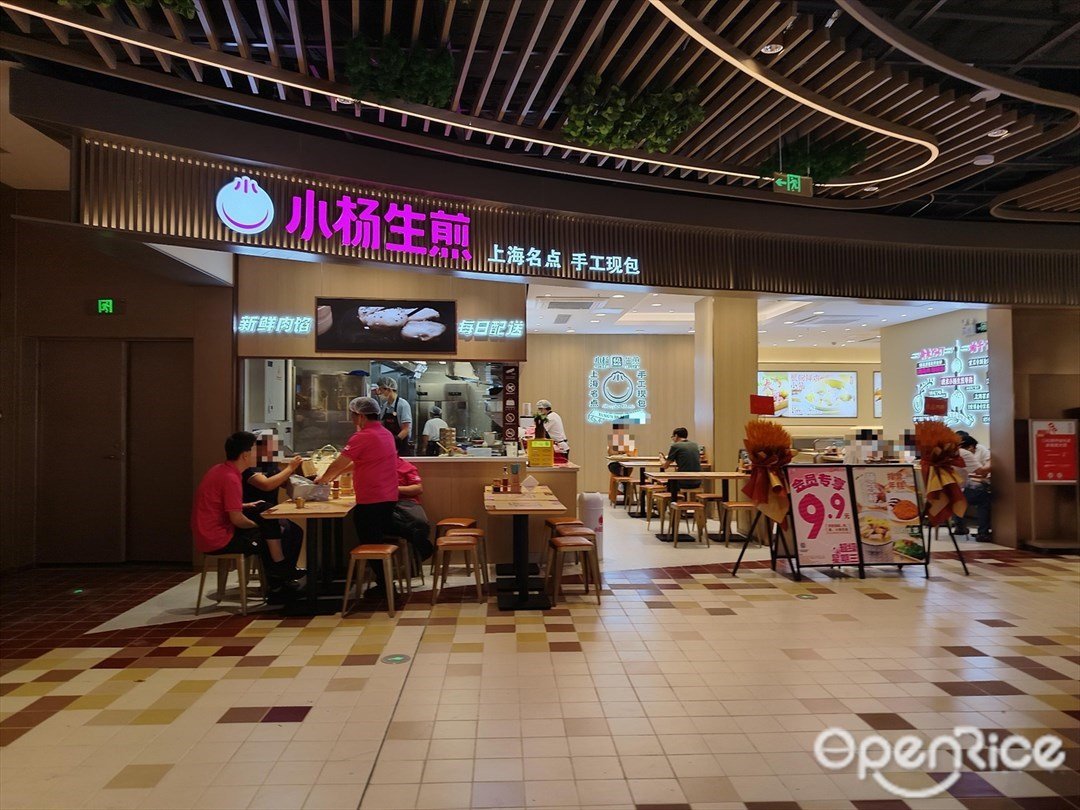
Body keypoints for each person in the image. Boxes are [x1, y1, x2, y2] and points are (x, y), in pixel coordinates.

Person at [191, 432, 296, 600]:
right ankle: (279, 581)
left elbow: (222, 505)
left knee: (264, 511)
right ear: (245, 454)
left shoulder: (221, 470)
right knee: (269, 532)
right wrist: (259, 525)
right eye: (256, 449)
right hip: (219, 539)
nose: (259, 453)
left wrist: (246, 506)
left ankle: (281, 575)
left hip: (209, 533)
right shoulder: (231, 477)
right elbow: (237, 520)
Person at [316, 396, 399, 596]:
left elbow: (340, 461)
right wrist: (334, 475)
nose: (352, 419)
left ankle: (386, 586)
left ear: (361, 416)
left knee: (370, 543)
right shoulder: (386, 434)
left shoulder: (362, 436)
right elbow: (362, 461)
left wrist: (323, 479)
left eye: (353, 415)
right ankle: (385, 583)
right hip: (388, 496)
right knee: (375, 539)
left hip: (372, 497)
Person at [242, 431, 305, 579]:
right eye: (268, 444)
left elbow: (282, 483)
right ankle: (276, 575)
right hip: (252, 512)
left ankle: (287, 570)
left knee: (296, 531)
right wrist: (289, 468)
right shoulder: (250, 466)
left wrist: (297, 472)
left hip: (270, 512)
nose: (273, 448)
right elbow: (266, 485)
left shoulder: (270, 464)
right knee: (283, 530)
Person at [391, 458, 435, 562]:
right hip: (385, 503)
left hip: (406, 501)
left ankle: (419, 551)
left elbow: (418, 488)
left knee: (420, 522)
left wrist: (394, 489)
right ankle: (420, 549)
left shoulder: (405, 467)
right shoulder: (376, 467)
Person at [955, 434, 992, 541]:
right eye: (975, 449)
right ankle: (983, 533)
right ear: (971, 447)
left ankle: (960, 527)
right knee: (985, 498)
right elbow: (982, 471)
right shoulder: (964, 453)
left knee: (970, 491)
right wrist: (991, 461)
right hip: (958, 492)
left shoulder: (949, 452)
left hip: (946, 492)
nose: (974, 452)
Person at [660, 427, 702, 497]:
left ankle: (673, 502)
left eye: (672, 437)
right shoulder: (695, 445)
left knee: (670, 481)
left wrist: (661, 458)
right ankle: (681, 501)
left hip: (684, 482)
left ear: (676, 436)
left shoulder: (675, 446)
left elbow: (665, 466)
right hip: (697, 481)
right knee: (674, 477)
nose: (672, 439)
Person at [377, 377, 413, 456]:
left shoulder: (403, 405)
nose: (379, 393)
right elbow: (382, 425)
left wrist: (395, 442)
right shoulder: (385, 406)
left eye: (381, 390)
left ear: (388, 389)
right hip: (388, 446)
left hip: (401, 446)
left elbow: (406, 429)